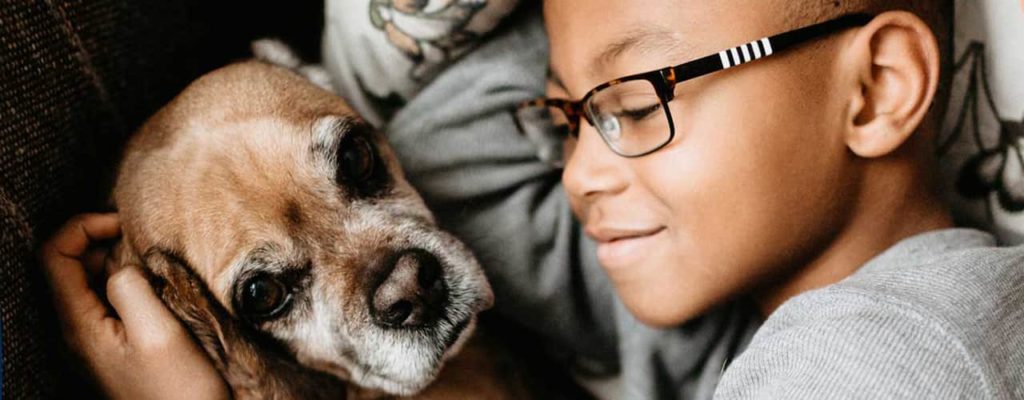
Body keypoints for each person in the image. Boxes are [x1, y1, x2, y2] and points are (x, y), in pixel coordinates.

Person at [42, 1, 1024, 399]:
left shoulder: (880, 355)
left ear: (878, 86)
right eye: (557, 119)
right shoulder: (687, 283)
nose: (574, 171)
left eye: (634, 106)